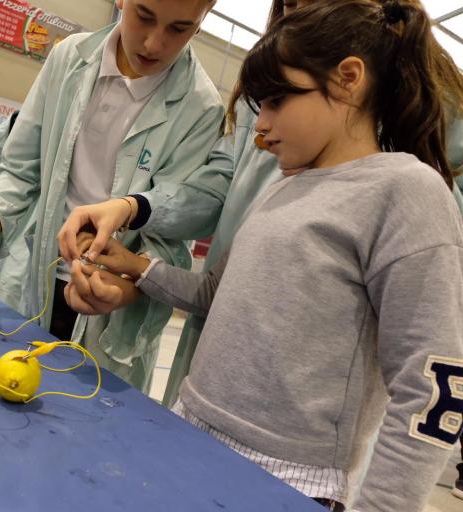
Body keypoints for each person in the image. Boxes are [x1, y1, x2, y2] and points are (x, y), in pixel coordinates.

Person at [64, 1, 463, 510]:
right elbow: (215, 293)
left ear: (348, 79)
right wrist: (136, 267)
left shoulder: (406, 191)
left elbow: (432, 386)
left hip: (289, 479)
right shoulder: (281, 188)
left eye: (276, 101)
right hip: (188, 434)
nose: (260, 127)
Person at [0, 0, 225, 393]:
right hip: (31, 282)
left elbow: (174, 228)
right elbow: (19, 166)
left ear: (203, 20)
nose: (154, 43)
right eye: (144, 17)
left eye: (179, 29)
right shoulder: (68, 58)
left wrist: (129, 287)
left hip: (111, 315)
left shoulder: (202, 108)